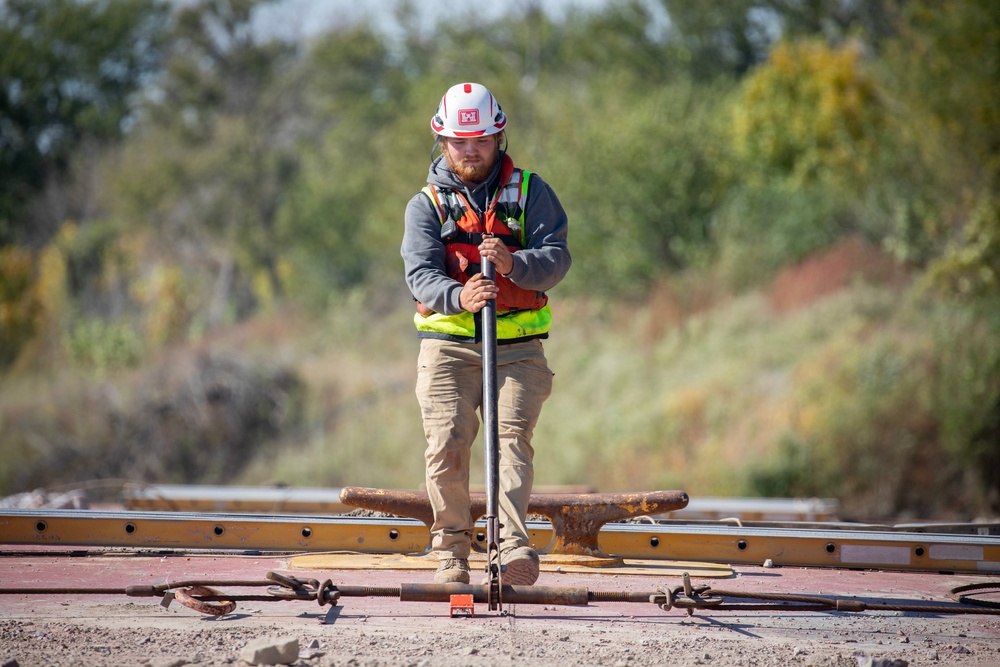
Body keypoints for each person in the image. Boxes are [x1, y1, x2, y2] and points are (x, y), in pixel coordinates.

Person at [401, 82, 571, 585]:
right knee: (447, 446)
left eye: (480, 141)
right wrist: (461, 297)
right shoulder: (425, 205)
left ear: (498, 137)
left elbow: (557, 258)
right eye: (459, 141)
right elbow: (421, 275)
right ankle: (452, 552)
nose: (470, 151)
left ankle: (511, 549)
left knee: (512, 442)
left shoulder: (532, 192)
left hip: (518, 352)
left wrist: (514, 264)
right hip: (447, 351)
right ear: (443, 141)